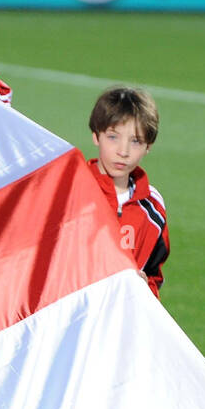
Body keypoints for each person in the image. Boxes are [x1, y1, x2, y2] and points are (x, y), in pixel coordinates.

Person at [85, 86, 168, 298]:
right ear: (96, 135)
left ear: (148, 146)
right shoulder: (74, 192)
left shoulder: (153, 207)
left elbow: (153, 274)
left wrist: (144, 289)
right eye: (113, 137)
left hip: (120, 323)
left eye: (136, 141)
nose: (123, 151)